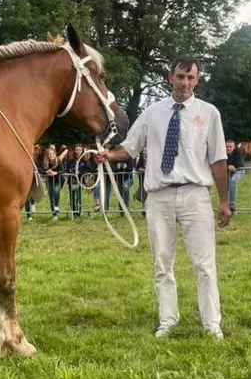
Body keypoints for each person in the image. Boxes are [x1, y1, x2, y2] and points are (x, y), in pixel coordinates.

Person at [98, 56, 231, 339]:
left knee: (204, 263)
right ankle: (167, 320)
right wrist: (109, 154)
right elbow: (130, 147)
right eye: (180, 76)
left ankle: (212, 323)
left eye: (190, 78)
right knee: (162, 263)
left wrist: (223, 200)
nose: (184, 82)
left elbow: (218, 159)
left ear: (196, 80)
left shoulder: (209, 113)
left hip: (195, 194)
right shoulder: (152, 113)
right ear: (171, 77)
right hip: (158, 196)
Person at [225, 139, 244, 214]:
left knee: (232, 181)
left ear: (234, 147)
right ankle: (225, 207)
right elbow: (221, 163)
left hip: (239, 171)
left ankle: (232, 205)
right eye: (227, 146)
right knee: (224, 185)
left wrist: (232, 167)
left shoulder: (238, 151)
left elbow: (239, 165)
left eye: (230, 147)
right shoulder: (223, 152)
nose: (228, 148)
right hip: (228, 172)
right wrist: (228, 166)